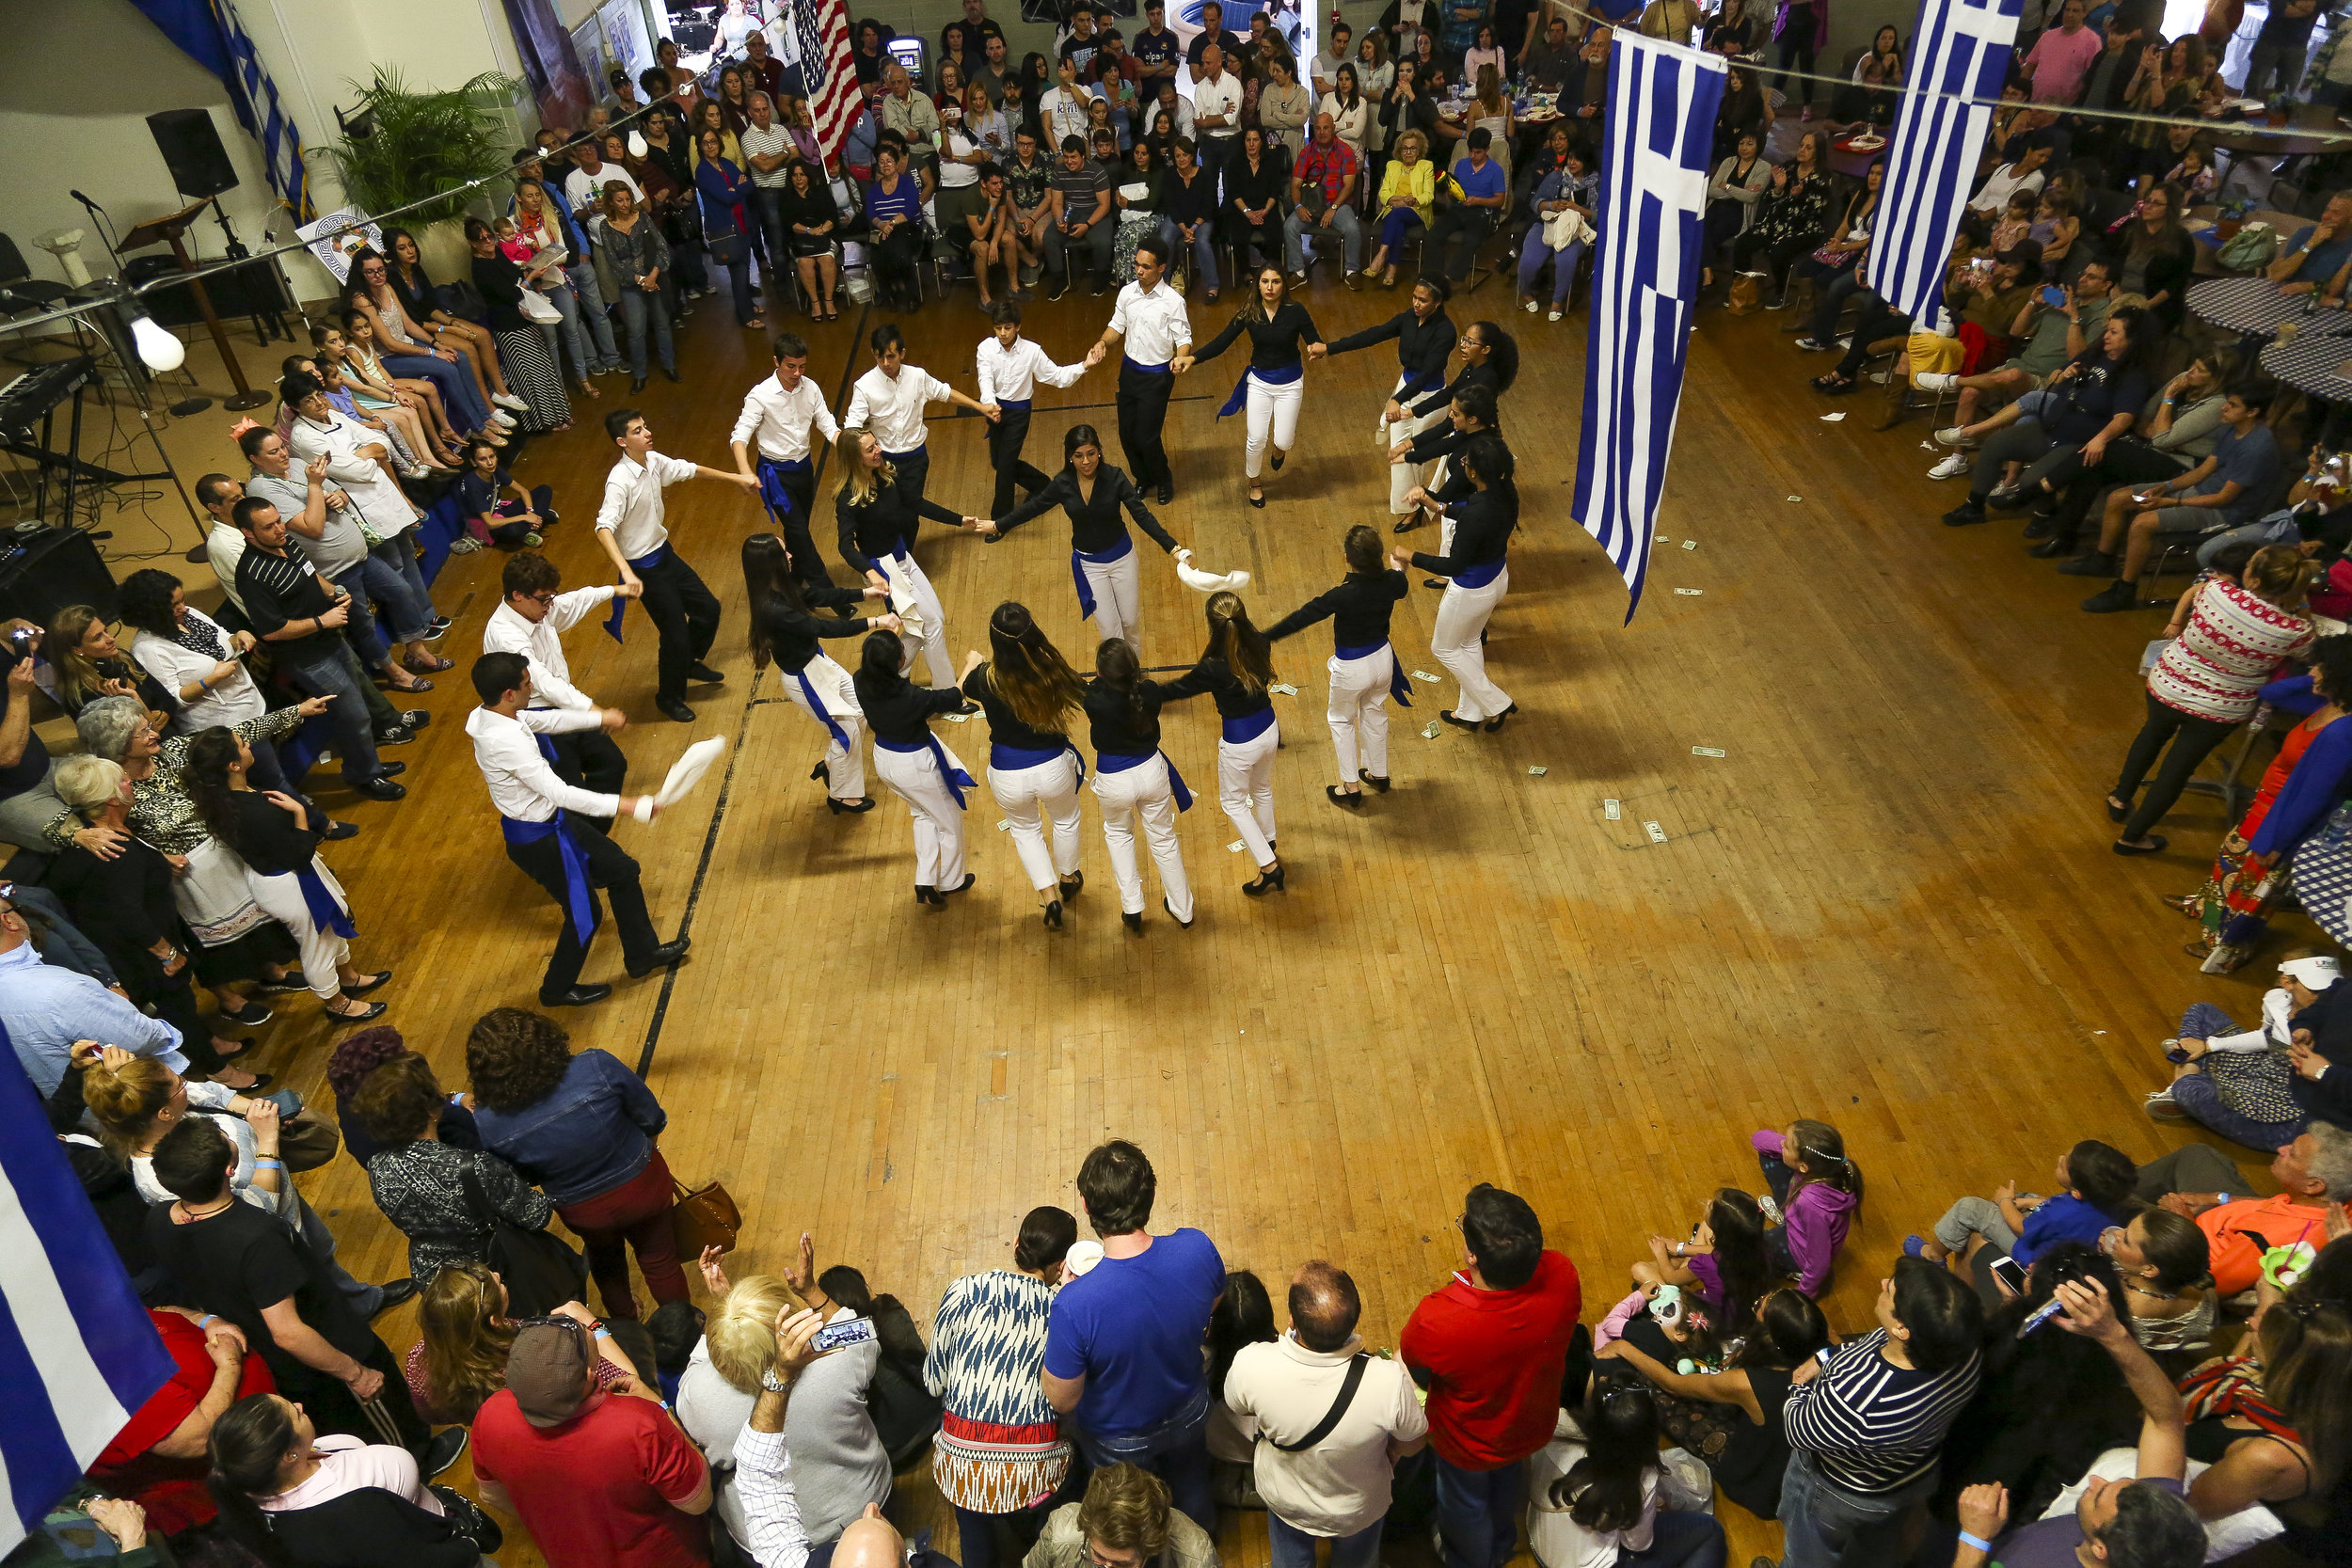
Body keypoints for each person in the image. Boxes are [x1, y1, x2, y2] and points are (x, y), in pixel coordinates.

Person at [144, 1117, 437, 1459]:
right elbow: (288, 1331)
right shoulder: (256, 1236)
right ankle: (422, 1462)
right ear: (229, 1169)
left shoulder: (161, 1219)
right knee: (385, 1429)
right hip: (325, 1351)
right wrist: (356, 1373)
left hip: (273, 1359)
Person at [465, 652, 679, 1007]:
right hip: (539, 840)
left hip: (552, 823)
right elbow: (560, 792)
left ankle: (642, 955)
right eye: (525, 683)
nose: (531, 686)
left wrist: (596, 717)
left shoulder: (490, 713)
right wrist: (629, 805)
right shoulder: (507, 743)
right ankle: (555, 990)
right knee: (585, 914)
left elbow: (545, 721)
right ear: (507, 693)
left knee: (622, 870)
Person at [1948, 1279, 2205, 1568]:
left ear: (2100, 1548)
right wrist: (2112, 1334)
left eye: (2099, 1496)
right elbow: (2166, 1419)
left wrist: (1973, 1538)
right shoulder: (2156, 1524)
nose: (2095, 1479)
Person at [1399, 1180, 1583, 1568]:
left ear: (1472, 1257)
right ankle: (1501, 1544)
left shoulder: (1440, 1319)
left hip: (1467, 1445)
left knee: (1464, 1503)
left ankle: (1471, 1560)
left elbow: (1414, 1366)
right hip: (1531, 1424)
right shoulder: (1563, 1275)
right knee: (1507, 1480)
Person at [45, 760, 270, 1078]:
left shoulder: (98, 832)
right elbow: (127, 913)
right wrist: (167, 953)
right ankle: (223, 1075)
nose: (129, 782)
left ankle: (211, 1042)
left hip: (140, 940)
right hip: (143, 954)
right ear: (111, 798)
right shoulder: (114, 852)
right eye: (122, 780)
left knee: (184, 1008)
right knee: (177, 1011)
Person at [1043, 1141, 1226, 1528]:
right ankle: (1202, 1541)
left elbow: (1062, 1399)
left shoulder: (1074, 1306)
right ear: (1151, 1194)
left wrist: (1076, 1291)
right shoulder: (1197, 1248)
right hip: (1190, 1410)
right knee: (1193, 1485)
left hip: (1119, 1438)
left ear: (1086, 1206)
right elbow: (1213, 1299)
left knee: (1129, 1520)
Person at [1768, 1259, 1984, 1568]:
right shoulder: (1962, 1351)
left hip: (1839, 1491)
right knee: (1877, 1546)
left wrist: (1798, 1386)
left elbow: (1798, 1429)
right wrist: (1826, 1355)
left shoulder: (1861, 1401)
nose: (1883, 1282)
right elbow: (1870, 1344)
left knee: (1807, 1556)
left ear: (1902, 1328)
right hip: (1908, 1474)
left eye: (1891, 1290)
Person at [2107, 546, 2317, 854]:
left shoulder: (2217, 591)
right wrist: (2300, 604)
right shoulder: (2295, 630)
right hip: (2220, 709)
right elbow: (2308, 651)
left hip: (2168, 683)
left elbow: (2196, 595)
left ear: (2254, 578)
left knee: (2151, 735)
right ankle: (2132, 837)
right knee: (2177, 770)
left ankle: (2120, 797)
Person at [1222, 1259, 1429, 1568]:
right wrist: (1392, 1453)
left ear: (1292, 1320)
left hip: (1285, 1499)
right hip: (1358, 1508)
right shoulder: (1388, 1381)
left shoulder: (1251, 1364)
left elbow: (1238, 1406)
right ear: (1354, 1321)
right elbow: (1413, 1442)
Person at [182, 727, 392, 1025]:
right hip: (288, 881)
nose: (248, 745)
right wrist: (301, 815)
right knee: (318, 943)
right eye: (242, 745)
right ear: (233, 765)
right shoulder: (252, 812)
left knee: (333, 923)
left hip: (285, 875)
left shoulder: (229, 798)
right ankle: (338, 1004)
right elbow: (298, 853)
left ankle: (348, 977)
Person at [470, 1316, 713, 1566]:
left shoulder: (490, 1416)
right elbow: (698, 1500)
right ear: (588, 1374)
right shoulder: (641, 1426)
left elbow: (492, 1495)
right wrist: (657, 1405)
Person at [926, 1207, 1080, 1568]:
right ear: (1061, 1267)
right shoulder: (1063, 1309)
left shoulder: (961, 1290)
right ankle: (1033, 1534)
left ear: (1015, 1245)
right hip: (1033, 1476)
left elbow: (934, 1384)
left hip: (960, 1472)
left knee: (972, 1523)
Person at [1592, 1287, 1832, 1519]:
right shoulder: (1830, 1353)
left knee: (1653, 1388)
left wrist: (1625, 1349)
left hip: (1756, 1480)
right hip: (1799, 1468)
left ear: (1769, 1337)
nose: (1756, 1302)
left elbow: (1672, 1383)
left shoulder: (1750, 1383)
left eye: (1760, 1307)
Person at [230, 498, 409, 801]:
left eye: (279, 520)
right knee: (352, 715)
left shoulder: (288, 543)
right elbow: (272, 631)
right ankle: (363, 775)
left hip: (332, 640)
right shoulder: (252, 575)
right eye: (269, 526)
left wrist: (335, 592)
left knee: (359, 709)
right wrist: (322, 620)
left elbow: (310, 574)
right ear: (248, 533)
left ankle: (369, 765)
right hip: (307, 658)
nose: (279, 529)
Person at [202, 1394, 482, 1568]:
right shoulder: (354, 1515)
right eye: (295, 1413)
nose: (300, 1405)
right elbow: (421, 1562)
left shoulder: (249, 1491)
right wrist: (469, 1546)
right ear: (289, 1454)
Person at [351, 1050, 556, 1284]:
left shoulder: (377, 1168)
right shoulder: (474, 1167)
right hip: (495, 1275)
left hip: (439, 1282)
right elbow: (537, 1215)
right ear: (430, 1111)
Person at [2072, 390, 2286, 613]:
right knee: (2120, 498)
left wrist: (2170, 502)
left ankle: (2125, 590)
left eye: (2232, 405)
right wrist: (2168, 487)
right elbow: (2203, 470)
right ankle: (2102, 559)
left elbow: (2223, 498)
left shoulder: (2257, 447)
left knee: (2143, 523)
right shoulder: (2232, 429)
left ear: (2252, 412)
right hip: (2199, 492)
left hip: (2223, 511)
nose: (2224, 408)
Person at [598, 407, 750, 723]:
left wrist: (736, 477)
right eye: (637, 431)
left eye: (645, 426)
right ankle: (668, 697)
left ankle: (689, 661)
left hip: (664, 554)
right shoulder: (619, 482)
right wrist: (626, 571)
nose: (647, 433)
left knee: (708, 609)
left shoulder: (653, 461)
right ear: (622, 441)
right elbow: (603, 528)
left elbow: (692, 469)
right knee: (674, 634)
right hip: (644, 568)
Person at [985, 422, 1182, 650]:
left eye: (1091, 453)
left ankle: (1134, 667)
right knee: (1110, 633)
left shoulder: (1115, 477)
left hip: (1123, 560)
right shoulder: (1062, 484)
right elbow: (1033, 508)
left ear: (1099, 451)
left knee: (1129, 622)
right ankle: (1120, 678)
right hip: (1090, 567)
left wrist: (1173, 547)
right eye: (1078, 456)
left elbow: (1142, 515)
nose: (1086, 461)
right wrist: (999, 525)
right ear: (1070, 457)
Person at [957, 604, 1089, 927]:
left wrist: (970, 665)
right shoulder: (1050, 670)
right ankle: (1068, 878)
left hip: (1006, 774)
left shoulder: (984, 678)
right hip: (1053, 768)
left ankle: (1050, 900)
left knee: (1026, 832)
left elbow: (952, 695)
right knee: (1066, 820)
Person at [745, 531, 897, 816]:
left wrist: (863, 593)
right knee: (846, 733)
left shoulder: (780, 585)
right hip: (805, 679)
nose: (790, 556)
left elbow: (815, 594)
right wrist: (876, 621)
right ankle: (841, 796)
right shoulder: (772, 608)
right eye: (783, 553)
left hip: (818, 663)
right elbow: (822, 628)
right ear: (769, 563)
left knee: (860, 711)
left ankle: (829, 765)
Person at [89, 1305, 272, 1536]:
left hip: (261, 1441)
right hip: (225, 1494)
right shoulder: (115, 1388)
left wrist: (207, 1321)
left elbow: (161, 1310)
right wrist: (230, 1365)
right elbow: (200, 1438)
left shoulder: (97, 1312)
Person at [483, 551, 633, 825]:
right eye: (544, 599)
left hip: (565, 706)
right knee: (568, 789)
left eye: (551, 596)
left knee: (611, 762)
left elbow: (572, 601)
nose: (550, 605)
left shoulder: (539, 609)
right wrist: (595, 712)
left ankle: (595, 837)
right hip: (538, 721)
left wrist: (615, 590)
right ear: (518, 595)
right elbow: (544, 683)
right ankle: (585, 844)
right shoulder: (506, 635)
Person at [834, 425, 989, 692]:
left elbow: (916, 503)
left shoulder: (885, 475)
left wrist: (959, 520)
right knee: (932, 624)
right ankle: (948, 694)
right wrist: (871, 573)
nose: (878, 450)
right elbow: (845, 546)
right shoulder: (848, 497)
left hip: (903, 556)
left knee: (926, 622)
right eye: (870, 449)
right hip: (883, 569)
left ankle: (889, 680)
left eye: (876, 444)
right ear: (854, 458)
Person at [1266, 526, 1412, 807]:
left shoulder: (1342, 594)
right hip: (1383, 659)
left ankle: (1351, 786)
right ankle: (1378, 774)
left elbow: (1302, 617)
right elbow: (1400, 583)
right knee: (1374, 711)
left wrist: (1265, 636)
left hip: (1352, 667)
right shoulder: (1392, 583)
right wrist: (1398, 569)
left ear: (1348, 558)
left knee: (1341, 720)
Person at [1906, 1140, 2140, 1304]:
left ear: (2077, 1191)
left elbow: (2022, 1228)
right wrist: (2035, 1202)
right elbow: (2065, 1211)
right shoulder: (2110, 1203)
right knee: (2027, 1197)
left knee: (1970, 1209)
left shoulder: (2061, 1212)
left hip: (2032, 1256)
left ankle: (1932, 1256)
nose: (2059, 1159)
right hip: (2065, 1250)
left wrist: (2004, 1200)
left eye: (2063, 1165)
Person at [1392, 434, 1518, 732]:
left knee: (1444, 649)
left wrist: (1411, 555)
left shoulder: (1478, 512)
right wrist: (1439, 506)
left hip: (1471, 590)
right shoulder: (1505, 492)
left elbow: (1452, 565)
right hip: (1496, 578)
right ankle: (1470, 713)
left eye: (1465, 462)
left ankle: (1497, 703)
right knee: (1468, 641)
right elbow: (1476, 515)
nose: (1463, 465)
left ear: (1473, 473)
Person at [1526, 1387, 1728, 1568]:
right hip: (1597, 1562)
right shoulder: (1641, 1480)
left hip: (1543, 1544)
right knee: (1710, 1530)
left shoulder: (1554, 1427)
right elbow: (1638, 1544)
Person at [1084, 637, 1205, 930]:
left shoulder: (1094, 698)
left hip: (1113, 780)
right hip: (1152, 772)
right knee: (1164, 838)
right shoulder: (1149, 692)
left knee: (1119, 836)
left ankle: (1133, 907)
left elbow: (1089, 692)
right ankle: (1183, 909)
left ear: (1101, 673)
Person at [852, 628, 981, 904]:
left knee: (923, 814)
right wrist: (971, 666)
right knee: (948, 820)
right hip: (914, 765)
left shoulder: (861, 679)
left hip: (884, 759)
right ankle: (951, 882)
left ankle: (925, 881)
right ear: (897, 661)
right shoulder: (909, 697)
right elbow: (951, 697)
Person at [1311, 276, 1457, 520]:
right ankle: (1408, 508)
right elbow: (1373, 335)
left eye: (1423, 300)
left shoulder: (1446, 332)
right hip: (1406, 388)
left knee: (1417, 456)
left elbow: (1429, 372)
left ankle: (1418, 502)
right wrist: (1330, 348)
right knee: (1397, 451)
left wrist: (1397, 399)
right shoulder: (1408, 318)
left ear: (1438, 302)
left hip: (1430, 398)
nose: (1416, 303)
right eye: (1414, 297)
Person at [1186, 264, 1321, 508]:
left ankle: (1279, 452)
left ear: (1284, 285)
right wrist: (1192, 358)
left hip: (1290, 384)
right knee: (1256, 439)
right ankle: (1255, 483)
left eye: (1276, 281)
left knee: (1284, 441)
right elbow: (1221, 342)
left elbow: (1314, 339)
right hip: (1259, 382)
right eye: (1265, 281)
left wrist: (1316, 348)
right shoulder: (1249, 311)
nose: (1270, 287)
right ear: (1257, 284)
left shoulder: (1296, 311)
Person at [848, 322, 999, 513]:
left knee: (912, 511)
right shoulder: (864, 386)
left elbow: (945, 393)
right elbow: (852, 426)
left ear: (902, 353)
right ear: (873, 353)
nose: (885, 363)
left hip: (916, 458)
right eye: (880, 357)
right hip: (883, 461)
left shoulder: (917, 376)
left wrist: (980, 407)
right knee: (890, 512)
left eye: (890, 356)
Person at [735, 333, 845, 593]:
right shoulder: (759, 395)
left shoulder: (812, 388)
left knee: (797, 531)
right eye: (791, 366)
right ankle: (827, 593)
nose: (797, 373)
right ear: (776, 362)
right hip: (776, 476)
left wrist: (851, 450)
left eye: (802, 366)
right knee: (800, 532)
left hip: (804, 469)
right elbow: (739, 436)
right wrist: (745, 472)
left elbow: (828, 425)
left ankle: (791, 580)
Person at [977, 302, 1103, 516]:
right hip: (994, 410)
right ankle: (1041, 483)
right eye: (998, 328)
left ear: (1018, 326)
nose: (1003, 333)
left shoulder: (1032, 351)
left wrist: (1084, 365)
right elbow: (985, 378)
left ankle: (1000, 520)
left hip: (1018, 414)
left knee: (1005, 468)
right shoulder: (985, 348)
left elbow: (1056, 376)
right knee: (999, 462)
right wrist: (989, 404)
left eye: (1007, 327)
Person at [1094, 237, 1193, 505]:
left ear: (1161, 268)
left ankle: (1163, 479)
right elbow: (1116, 326)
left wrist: (1180, 359)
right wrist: (1102, 342)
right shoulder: (1127, 293)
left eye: (1146, 267)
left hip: (1158, 375)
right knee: (1126, 433)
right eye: (1137, 265)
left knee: (1147, 437)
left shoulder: (1173, 301)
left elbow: (1183, 339)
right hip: (1130, 370)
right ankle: (1143, 477)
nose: (1138, 271)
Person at [1752, 1120, 1862, 1298]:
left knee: (1750, 1246)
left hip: (1798, 1251)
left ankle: (1795, 1269)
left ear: (1804, 1166)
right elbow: (1758, 1139)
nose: (1781, 1144)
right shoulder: (1830, 1170)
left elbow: (1819, 1259)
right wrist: (1790, 1148)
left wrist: (1805, 1293)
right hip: (1798, 1204)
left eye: (1786, 1145)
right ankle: (1788, 1216)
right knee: (1769, 1155)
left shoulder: (1811, 1206)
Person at [599, 184, 676, 390]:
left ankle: (669, 365)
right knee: (635, 331)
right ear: (611, 202)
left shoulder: (642, 217)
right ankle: (640, 373)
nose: (625, 205)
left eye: (627, 199)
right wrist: (640, 280)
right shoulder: (605, 226)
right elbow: (613, 261)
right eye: (619, 200)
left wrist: (652, 276)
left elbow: (661, 247)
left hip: (654, 277)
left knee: (662, 323)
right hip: (630, 284)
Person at [773, 160, 846, 320]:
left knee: (826, 259)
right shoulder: (786, 196)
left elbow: (832, 216)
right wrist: (809, 230)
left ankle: (828, 301)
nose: (799, 178)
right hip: (800, 241)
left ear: (808, 176)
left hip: (824, 237)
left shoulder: (821, 192)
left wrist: (822, 229)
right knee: (806, 262)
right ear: (790, 178)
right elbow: (789, 223)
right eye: (795, 175)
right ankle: (815, 303)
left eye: (802, 174)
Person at [865, 144, 930, 312]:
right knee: (876, 253)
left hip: (908, 229)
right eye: (882, 162)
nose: (885, 165)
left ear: (897, 163)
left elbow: (911, 208)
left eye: (889, 161)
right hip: (883, 230)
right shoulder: (874, 190)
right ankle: (889, 294)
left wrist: (891, 224)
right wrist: (882, 225)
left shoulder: (907, 183)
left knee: (900, 251)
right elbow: (871, 213)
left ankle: (912, 296)